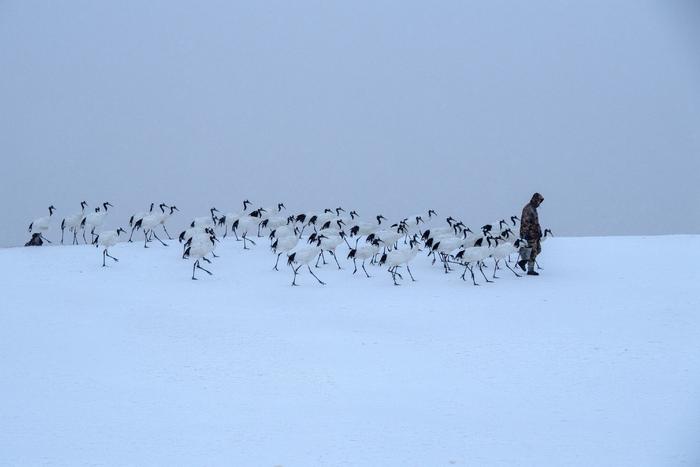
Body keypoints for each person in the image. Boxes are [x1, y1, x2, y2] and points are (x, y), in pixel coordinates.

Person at [518, 192, 544, 276]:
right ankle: (530, 270)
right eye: (538, 201)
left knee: (538, 250)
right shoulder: (528, 209)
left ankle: (523, 262)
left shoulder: (534, 208)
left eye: (540, 201)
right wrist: (524, 234)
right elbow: (525, 223)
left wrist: (539, 232)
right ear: (535, 199)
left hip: (535, 234)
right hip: (529, 234)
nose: (539, 203)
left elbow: (535, 222)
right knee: (533, 251)